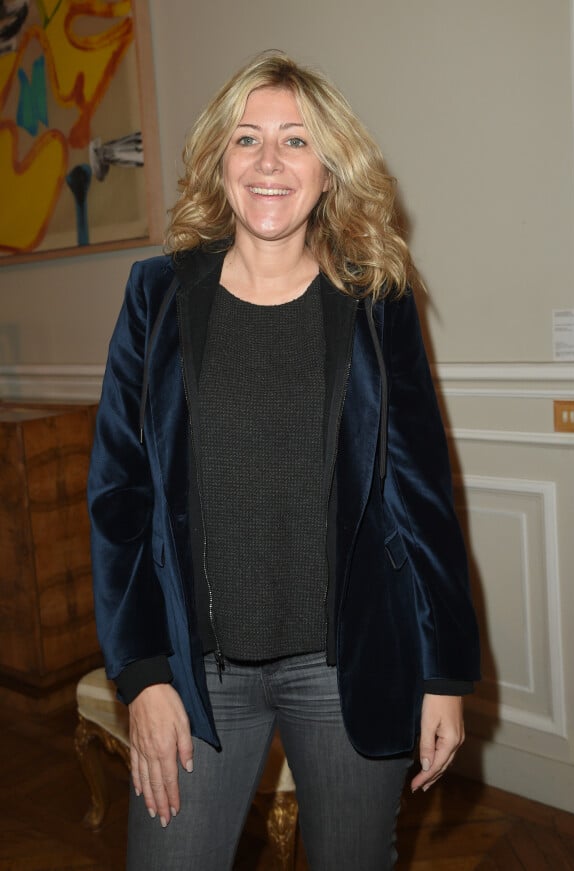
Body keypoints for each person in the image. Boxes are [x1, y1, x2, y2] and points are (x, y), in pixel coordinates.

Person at [87, 50, 480, 870]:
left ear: (330, 168)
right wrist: (142, 671)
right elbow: (119, 498)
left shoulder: (377, 301)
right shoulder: (156, 298)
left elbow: (422, 494)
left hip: (346, 664)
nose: (270, 161)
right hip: (196, 673)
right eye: (247, 139)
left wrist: (445, 671)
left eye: (296, 141)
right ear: (217, 161)